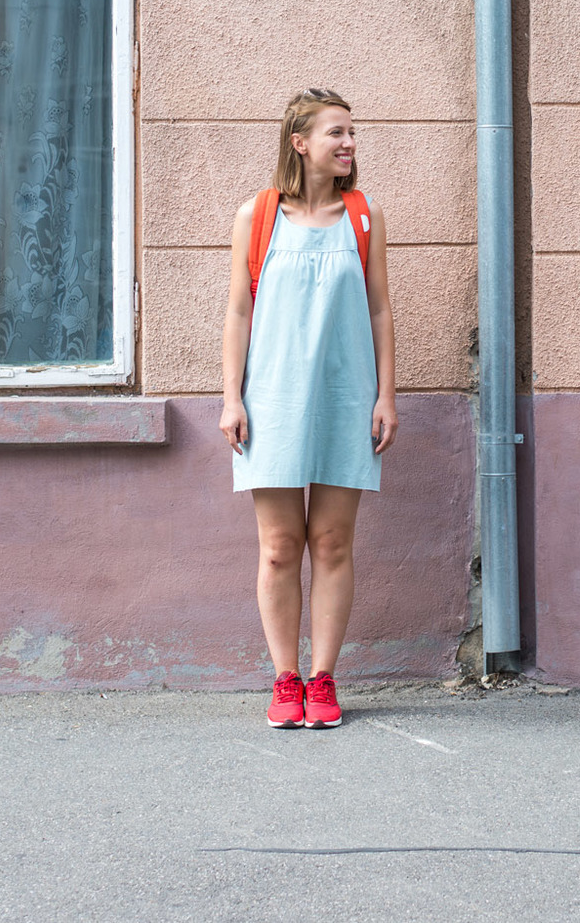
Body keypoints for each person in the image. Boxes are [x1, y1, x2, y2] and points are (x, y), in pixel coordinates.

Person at [221, 88, 398, 730]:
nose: (349, 143)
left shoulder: (364, 216)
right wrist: (231, 398)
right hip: (270, 400)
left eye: (352, 133)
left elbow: (379, 310)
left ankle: (322, 678)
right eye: (336, 133)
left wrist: (386, 395)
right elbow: (238, 312)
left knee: (331, 542)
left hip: (346, 399)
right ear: (300, 143)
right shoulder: (259, 215)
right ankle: (284, 678)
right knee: (278, 547)